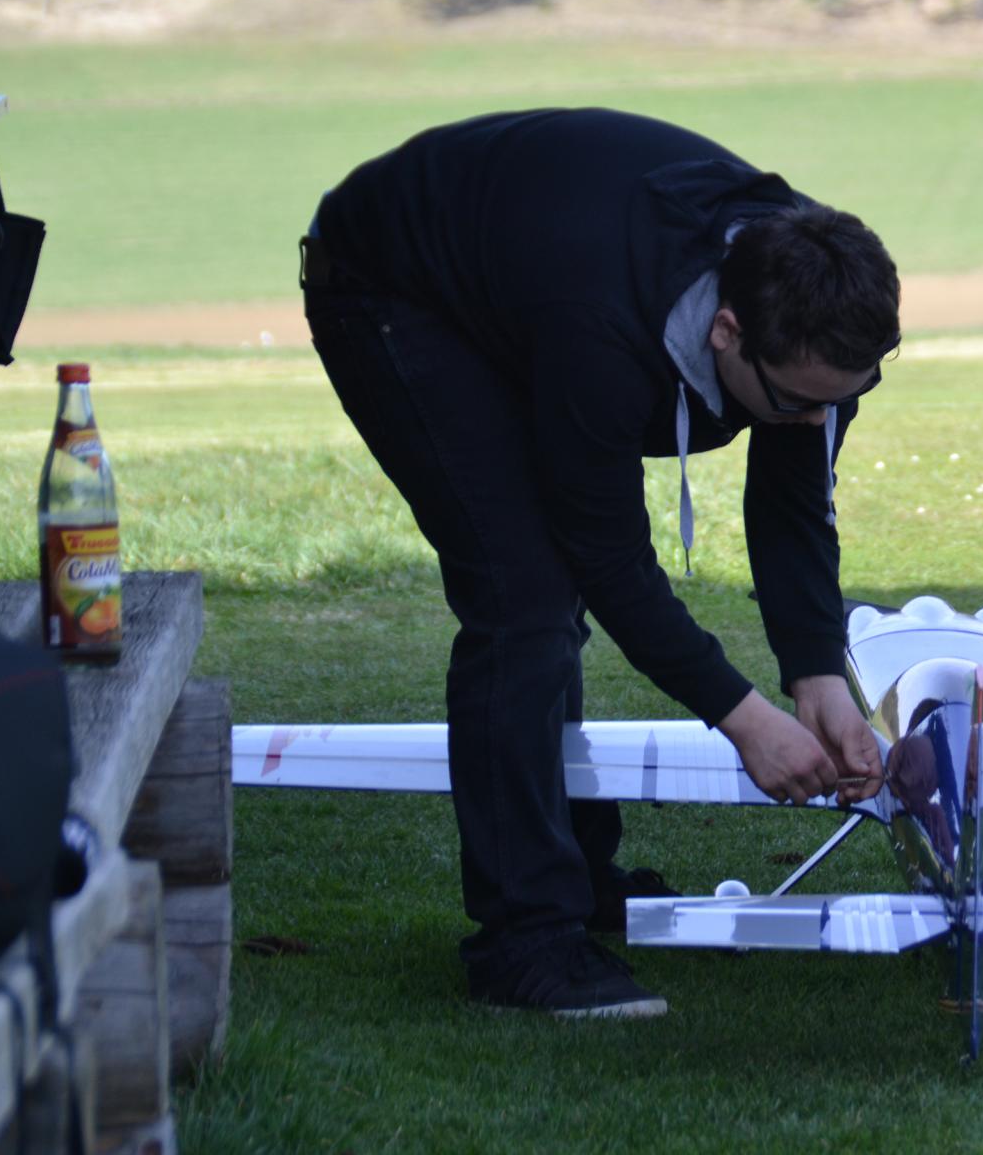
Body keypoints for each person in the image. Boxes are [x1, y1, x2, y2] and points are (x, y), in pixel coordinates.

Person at [299, 108, 898, 1020]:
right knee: (525, 596)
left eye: (844, 398)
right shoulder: (603, 329)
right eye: (797, 402)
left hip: (532, 269)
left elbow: (792, 503)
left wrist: (817, 674)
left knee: (544, 588)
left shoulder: (818, 307)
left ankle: (577, 876)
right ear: (727, 331)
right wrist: (743, 719)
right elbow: (609, 555)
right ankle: (524, 941)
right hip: (392, 281)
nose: (819, 420)